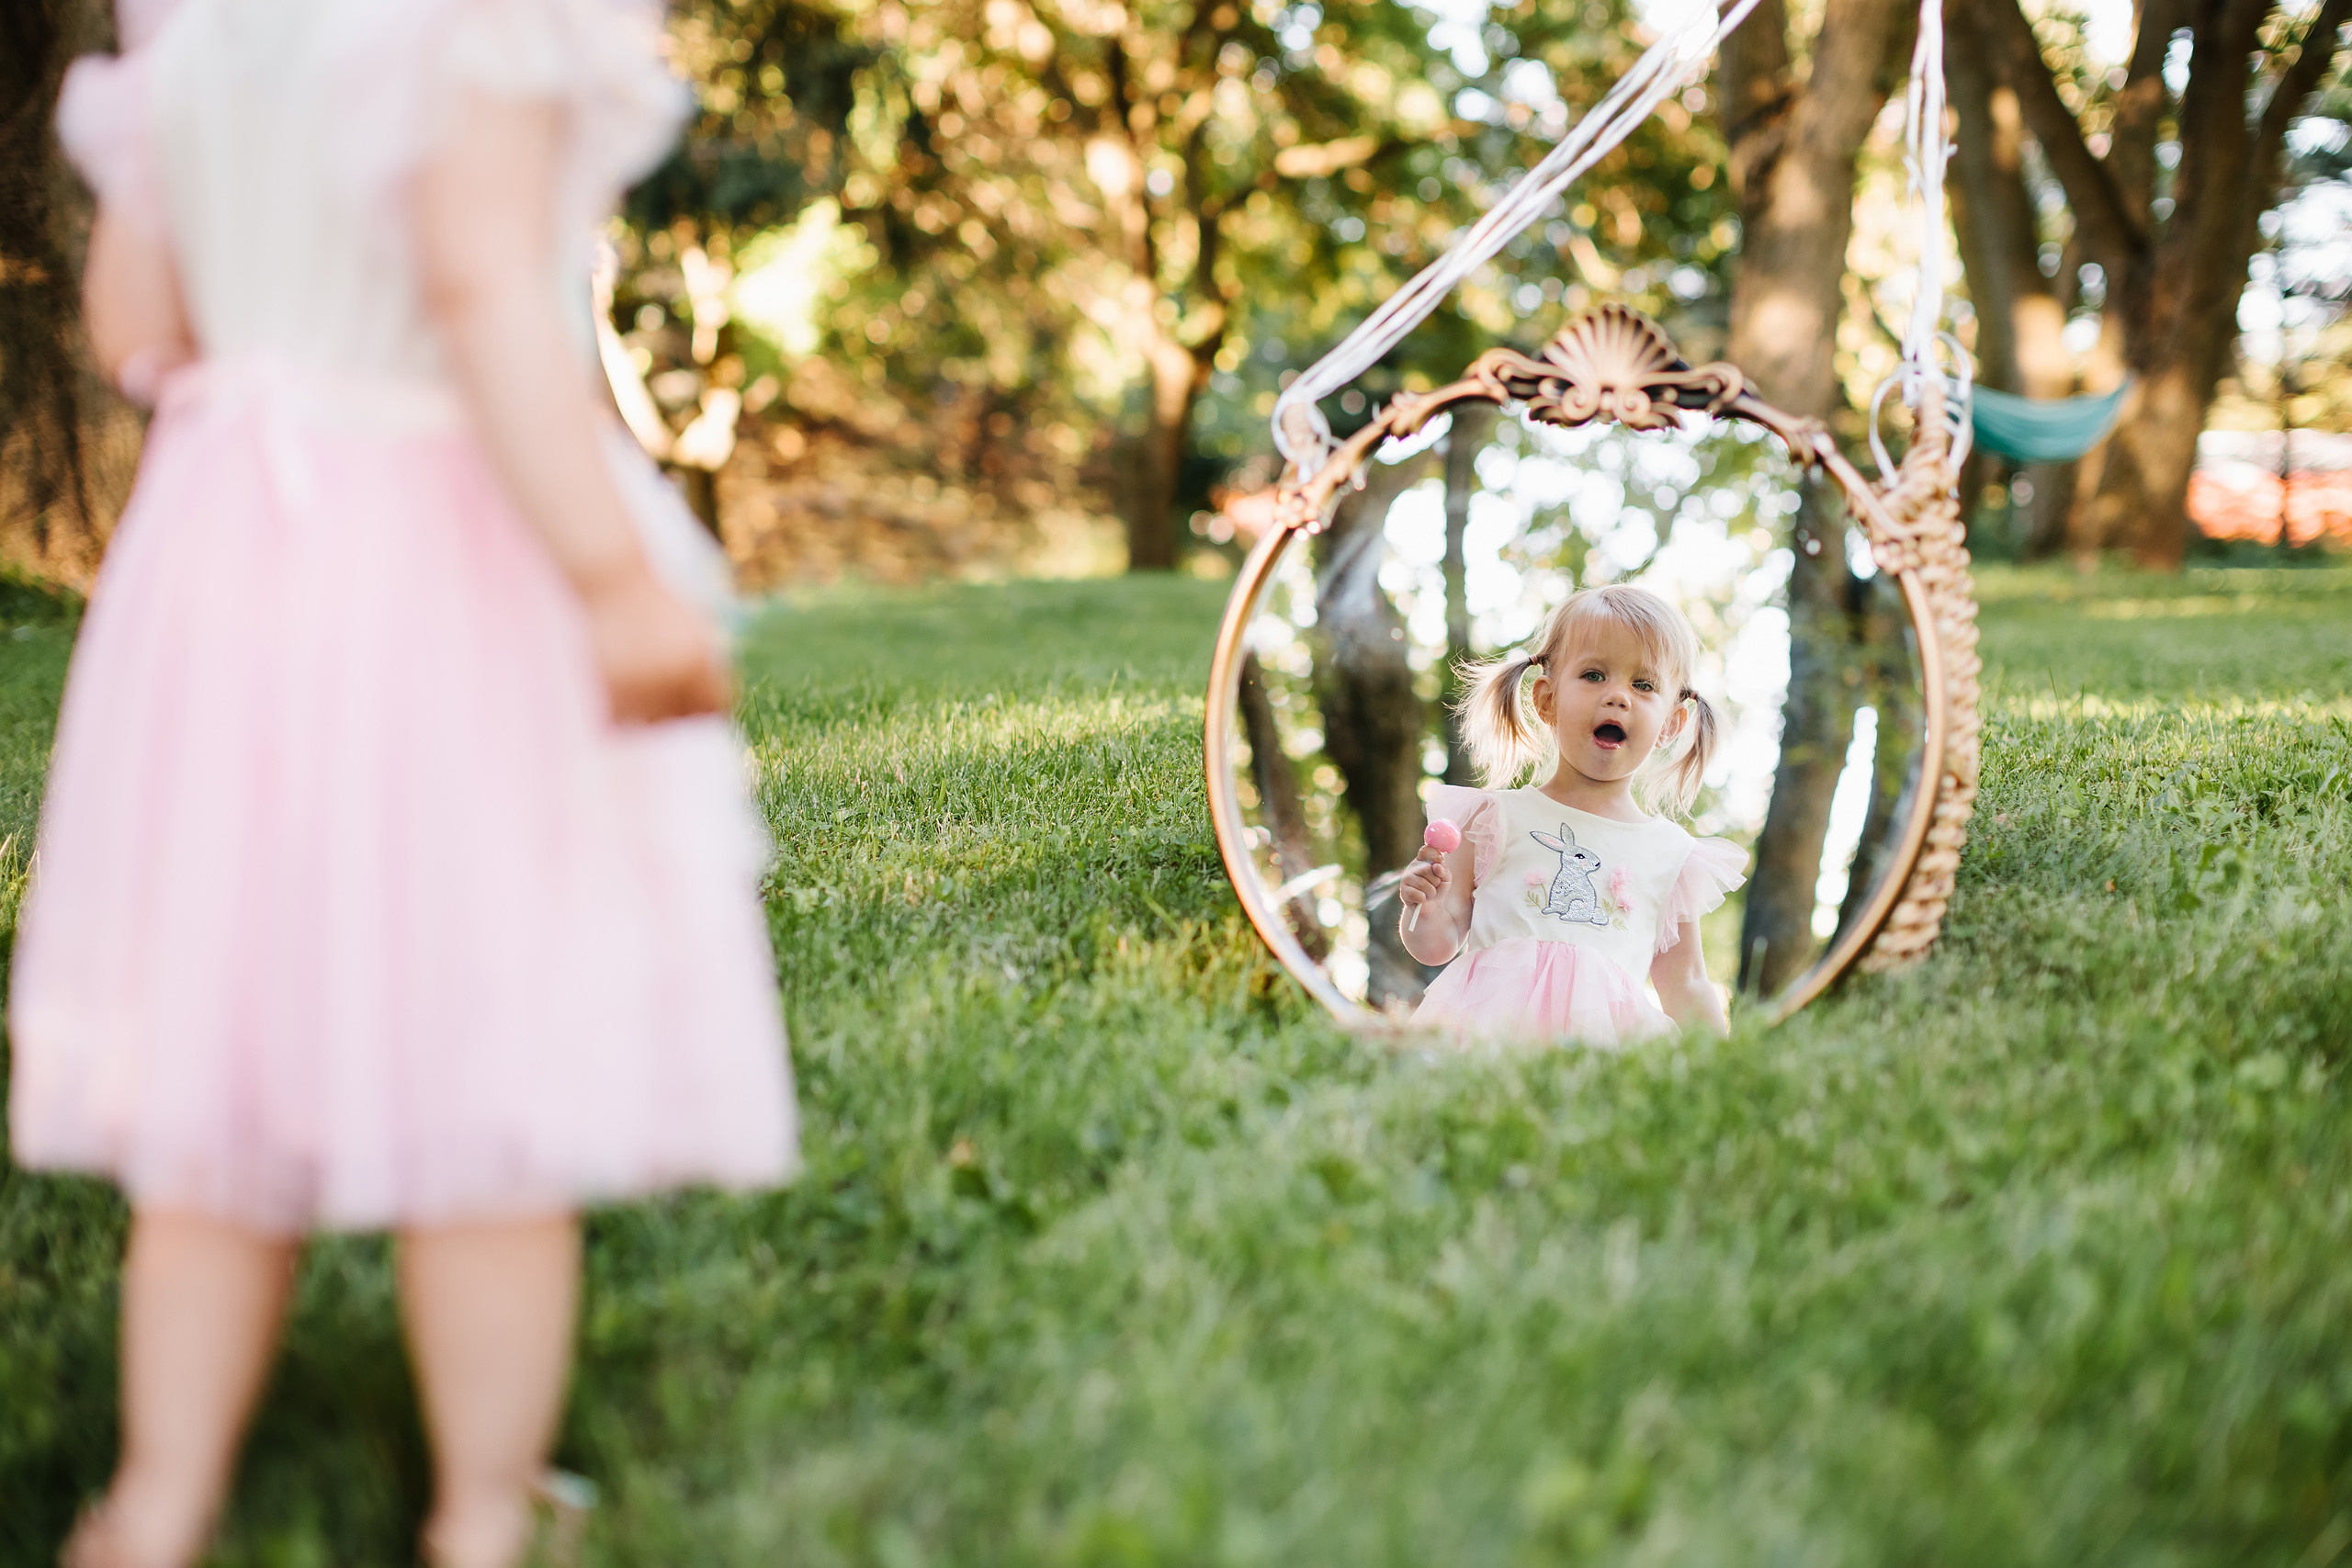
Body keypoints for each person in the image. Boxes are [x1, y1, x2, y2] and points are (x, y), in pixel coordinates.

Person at [10, 2, 799, 1563]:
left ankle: (159, 1499)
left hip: (222, 549)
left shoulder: (204, 23)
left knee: (218, 1074)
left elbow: (133, 320)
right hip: (435, 539)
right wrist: (611, 579)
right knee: (484, 1043)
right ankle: (484, 1511)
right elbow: (480, 281)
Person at [1397, 583, 1746, 1045]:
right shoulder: (1494, 817)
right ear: (1546, 700)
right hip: (1486, 1042)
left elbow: (1686, 984)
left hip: (1604, 1054)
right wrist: (1425, 906)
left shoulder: (1671, 855)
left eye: (1642, 685)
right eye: (1595, 675)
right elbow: (1436, 946)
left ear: (1671, 725)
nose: (1618, 696)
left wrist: (1723, 1067)